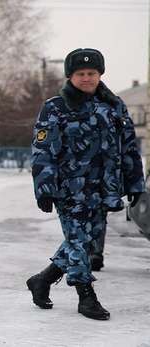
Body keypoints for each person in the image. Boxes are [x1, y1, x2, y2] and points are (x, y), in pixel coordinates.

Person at [27, 48, 144, 320]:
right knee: (79, 241)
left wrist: (135, 183)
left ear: (100, 74)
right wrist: (44, 189)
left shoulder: (114, 105)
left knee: (84, 240)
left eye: (92, 73)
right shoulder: (55, 107)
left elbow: (128, 147)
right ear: (70, 76)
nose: (87, 78)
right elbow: (42, 150)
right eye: (81, 74)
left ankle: (43, 280)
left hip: (104, 187)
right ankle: (85, 296)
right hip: (69, 188)